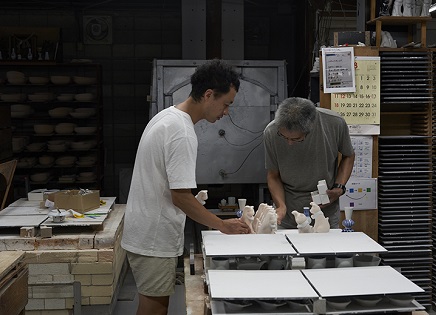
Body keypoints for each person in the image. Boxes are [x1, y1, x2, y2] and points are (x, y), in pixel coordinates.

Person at [121, 59, 251, 315]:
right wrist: (223, 225)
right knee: (154, 308)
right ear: (208, 95)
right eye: (226, 104)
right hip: (153, 237)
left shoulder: (167, 117)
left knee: (153, 305)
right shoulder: (181, 132)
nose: (226, 112)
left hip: (146, 231)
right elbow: (180, 197)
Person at [263, 97, 355, 229]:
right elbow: (273, 175)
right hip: (289, 213)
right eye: (284, 137)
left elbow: (349, 155)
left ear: (310, 128)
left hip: (325, 211)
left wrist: (339, 188)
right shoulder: (271, 132)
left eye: (296, 139)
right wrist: (281, 206)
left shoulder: (334, 123)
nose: (289, 143)